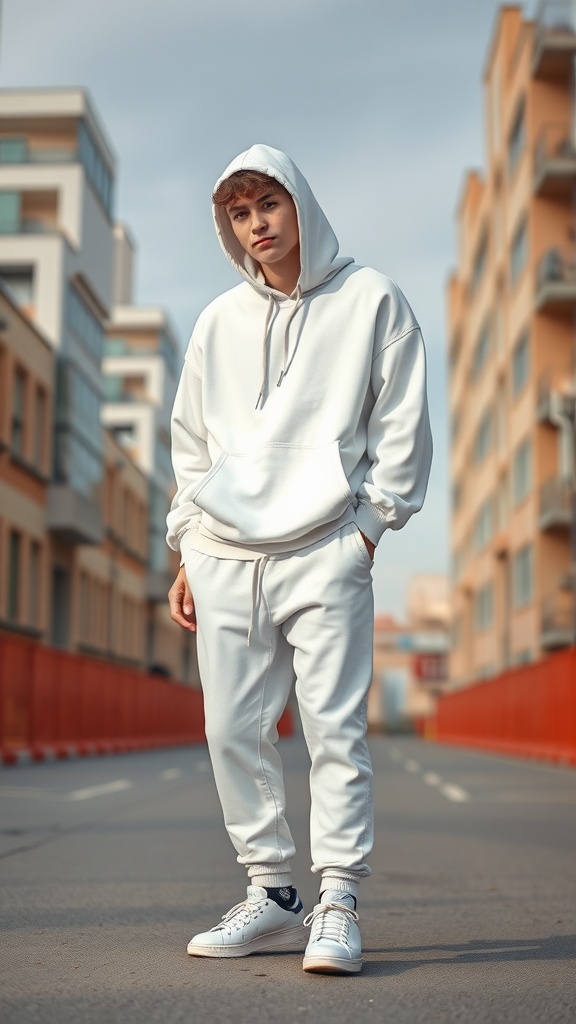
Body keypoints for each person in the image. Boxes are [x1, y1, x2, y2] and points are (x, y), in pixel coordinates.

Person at [167, 144, 432, 974]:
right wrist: (186, 544)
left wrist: (369, 527)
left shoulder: (371, 299)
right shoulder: (218, 321)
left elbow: (403, 426)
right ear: (228, 228)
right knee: (229, 730)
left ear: (300, 205)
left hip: (325, 545)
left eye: (268, 206)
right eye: (240, 215)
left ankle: (339, 900)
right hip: (225, 553)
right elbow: (192, 444)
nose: (258, 226)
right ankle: (273, 892)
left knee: (332, 730)